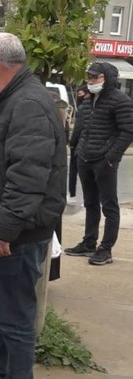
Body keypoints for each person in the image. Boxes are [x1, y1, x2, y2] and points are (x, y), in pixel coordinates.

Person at [0, 32, 66, 379]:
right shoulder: (9, 100)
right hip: (0, 234)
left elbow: (27, 178)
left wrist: (2, 228)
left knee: (14, 321)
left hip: (15, 238)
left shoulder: (27, 104)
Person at [65, 62, 133, 265]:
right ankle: (89, 242)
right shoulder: (89, 100)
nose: (90, 81)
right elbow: (83, 128)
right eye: (89, 77)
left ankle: (106, 249)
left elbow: (128, 131)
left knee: (109, 206)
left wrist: (111, 157)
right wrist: (76, 149)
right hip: (85, 158)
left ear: (107, 79)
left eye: (95, 77)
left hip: (105, 161)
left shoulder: (121, 101)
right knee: (90, 202)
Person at [66, 85, 89, 206]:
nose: (79, 97)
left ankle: (72, 195)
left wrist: (72, 143)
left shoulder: (82, 108)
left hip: (80, 145)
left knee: (75, 170)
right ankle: (89, 197)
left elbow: (78, 128)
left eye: (81, 94)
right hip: (92, 145)